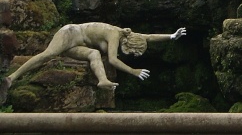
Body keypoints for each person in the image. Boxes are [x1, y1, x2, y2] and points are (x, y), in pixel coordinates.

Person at [0, 22, 186, 102]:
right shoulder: (115, 34)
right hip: (72, 33)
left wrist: (171, 36)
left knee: (94, 54)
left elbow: (149, 37)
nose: (129, 54)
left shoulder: (129, 36)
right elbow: (112, 59)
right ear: (128, 44)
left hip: (81, 43)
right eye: (131, 52)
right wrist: (133, 71)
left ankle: (102, 80)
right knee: (48, 54)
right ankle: (11, 77)